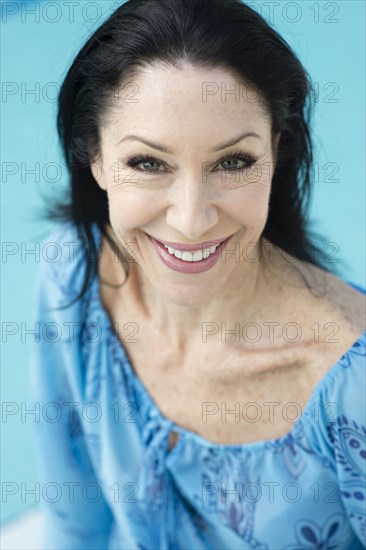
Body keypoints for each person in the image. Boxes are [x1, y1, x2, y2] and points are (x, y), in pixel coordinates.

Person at [30, 0, 366, 548]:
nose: (191, 220)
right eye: (147, 163)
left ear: (277, 152)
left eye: (232, 162)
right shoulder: (72, 272)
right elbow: (73, 516)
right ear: (94, 156)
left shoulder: (352, 390)